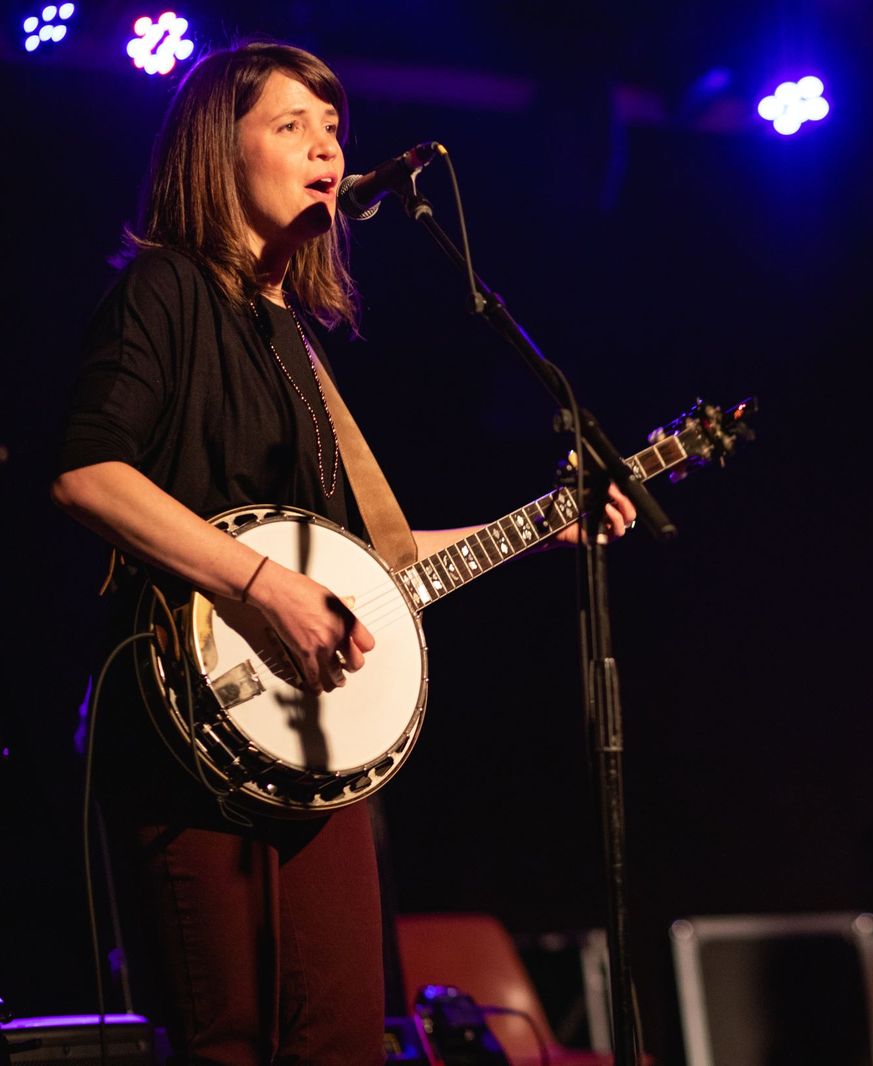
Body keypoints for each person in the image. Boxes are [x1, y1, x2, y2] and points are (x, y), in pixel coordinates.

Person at [51, 41, 635, 1064]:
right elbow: (88, 474)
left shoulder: (297, 341)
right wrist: (262, 584)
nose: (327, 150)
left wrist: (546, 522)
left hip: (313, 754)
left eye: (334, 131)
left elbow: (376, 564)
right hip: (187, 730)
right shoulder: (164, 290)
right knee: (228, 1040)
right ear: (216, 149)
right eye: (293, 128)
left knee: (345, 1040)